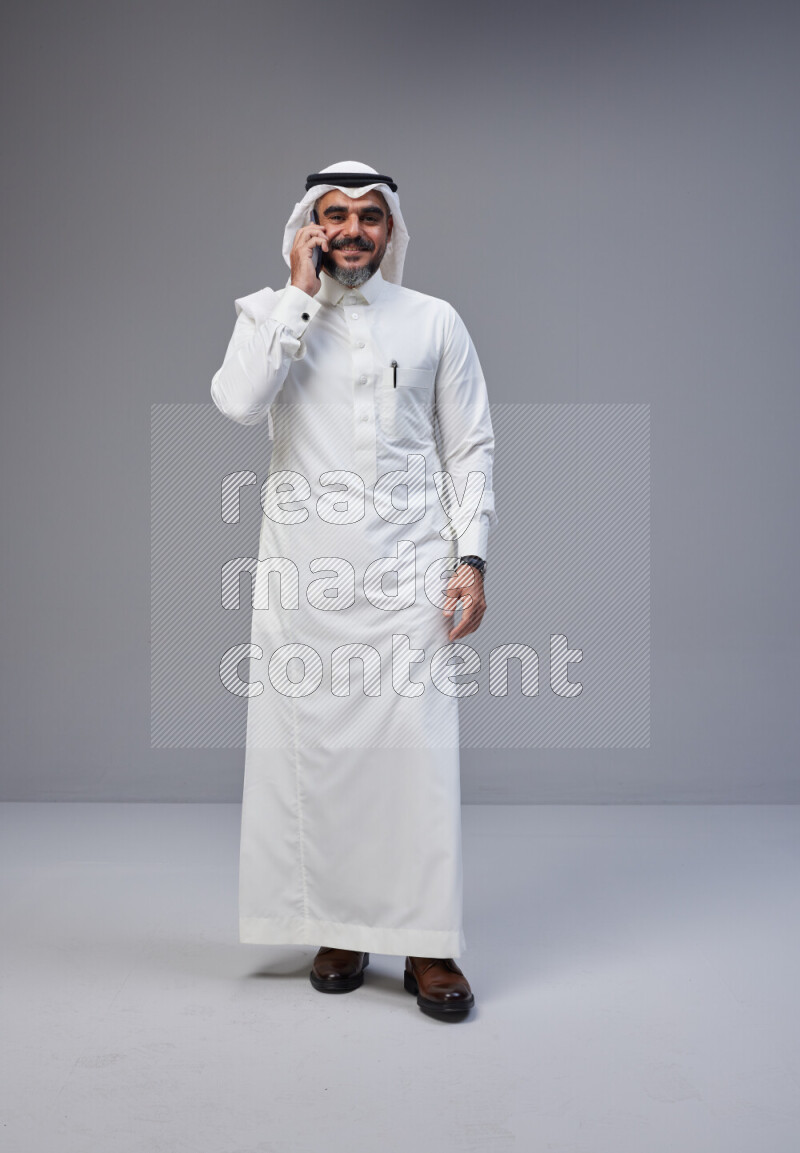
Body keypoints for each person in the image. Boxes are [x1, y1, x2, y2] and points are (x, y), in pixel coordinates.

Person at [210, 160, 497, 1019]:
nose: (352, 231)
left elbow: (469, 448)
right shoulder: (269, 315)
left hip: (412, 574)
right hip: (307, 580)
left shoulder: (434, 320)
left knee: (415, 762)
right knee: (322, 758)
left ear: (392, 229)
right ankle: (340, 925)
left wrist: (472, 559)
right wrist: (296, 296)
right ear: (308, 225)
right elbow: (237, 400)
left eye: (370, 217)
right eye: (333, 215)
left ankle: (429, 945)